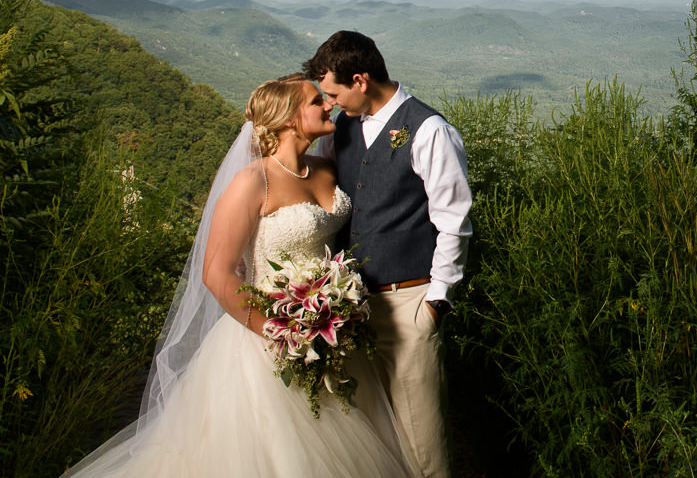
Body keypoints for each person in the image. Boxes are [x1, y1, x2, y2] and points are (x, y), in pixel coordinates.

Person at [61, 74, 416, 478]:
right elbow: (216, 272)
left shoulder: (326, 168)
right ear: (288, 119)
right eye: (317, 101)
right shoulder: (253, 182)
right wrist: (278, 330)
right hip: (267, 339)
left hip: (331, 330)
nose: (328, 104)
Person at [303, 31, 472, 478]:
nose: (332, 103)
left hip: (410, 302)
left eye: (335, 93)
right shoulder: (341, 128)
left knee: (424, 442)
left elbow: (454, 221)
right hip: (352, 308)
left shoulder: (430, 129)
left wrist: (437, 303)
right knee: (370, 432)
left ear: (360, 80)